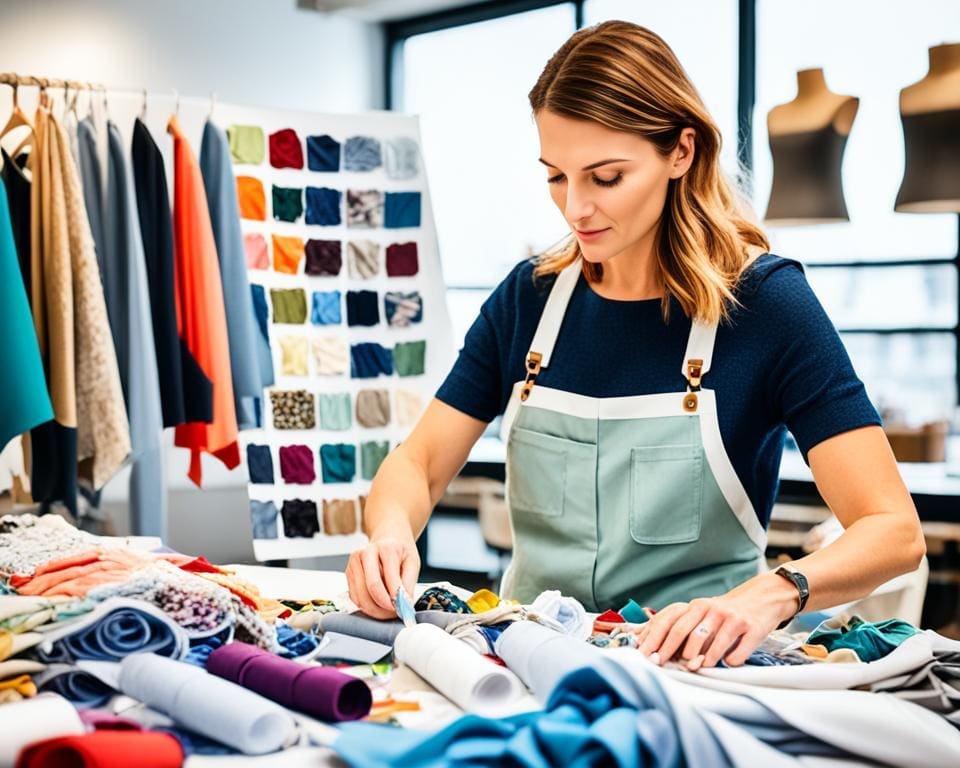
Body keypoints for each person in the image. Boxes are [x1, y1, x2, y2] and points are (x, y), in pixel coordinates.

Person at [346, 20, 925, 668]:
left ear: (680, 152)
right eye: (556, 176)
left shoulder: (766, 306)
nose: (576, 207)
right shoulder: (528, 301)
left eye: (606, 176)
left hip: (700, 675)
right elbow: (417, 467)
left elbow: (893, 531)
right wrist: (390, 533)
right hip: (525, 663)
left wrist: (772, 595)